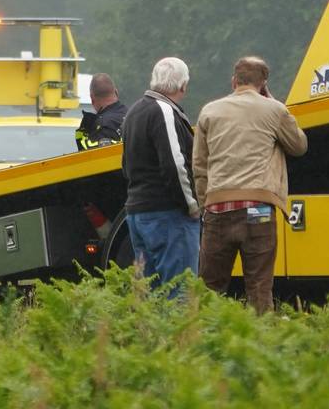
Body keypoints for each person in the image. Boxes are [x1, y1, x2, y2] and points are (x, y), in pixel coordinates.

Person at [193, 57, 308, 314]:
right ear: (263, 84)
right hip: (259, 211)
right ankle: (260, 342)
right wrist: (274, 102)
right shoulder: (273, 110)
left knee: (210, 287)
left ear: (234, 81)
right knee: (259, 286)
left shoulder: (209, 111)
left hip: (218, 209)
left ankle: (203, 342)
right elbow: (299, 146)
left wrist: (206, 205)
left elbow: (199, 165)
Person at [122, 57, 200, 292]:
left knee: (151, 296)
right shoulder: (164, 111)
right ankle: (181, 331)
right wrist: (192, 205)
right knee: (180, 292)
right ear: (183, 85)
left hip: (138, 212)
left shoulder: (134, 111)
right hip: (167, 215)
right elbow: (175, 164)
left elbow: (126, 165)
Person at [76, 73, 128, 150]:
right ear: (116, 92)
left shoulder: (102, 127)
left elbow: (101, 161)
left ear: (92, 98)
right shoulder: (132, 116)